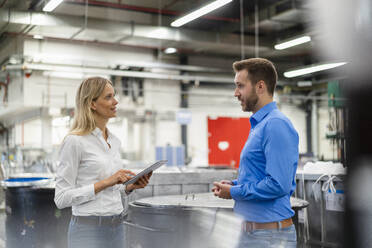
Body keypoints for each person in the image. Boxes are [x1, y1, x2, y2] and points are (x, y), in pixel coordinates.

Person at [54, 77, 152, 248]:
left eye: (114, 96)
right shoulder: (75, 141)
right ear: (92, 103)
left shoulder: (114, 141)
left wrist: (128, 187)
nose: (115, 101)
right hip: (87, 231)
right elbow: (61, 198)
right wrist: (107, 182)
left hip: (117, 227)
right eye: (108, 97)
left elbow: (111, 190)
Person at [212, 58, 299, 248]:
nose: (236, 93)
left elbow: (278, 184)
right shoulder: (260, 125)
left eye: (240, 86)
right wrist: (235, 184)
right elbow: (261, 175)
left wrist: (234, 192)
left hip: (268, 237)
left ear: (260, 86)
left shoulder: (275, 124)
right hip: (254, 234)